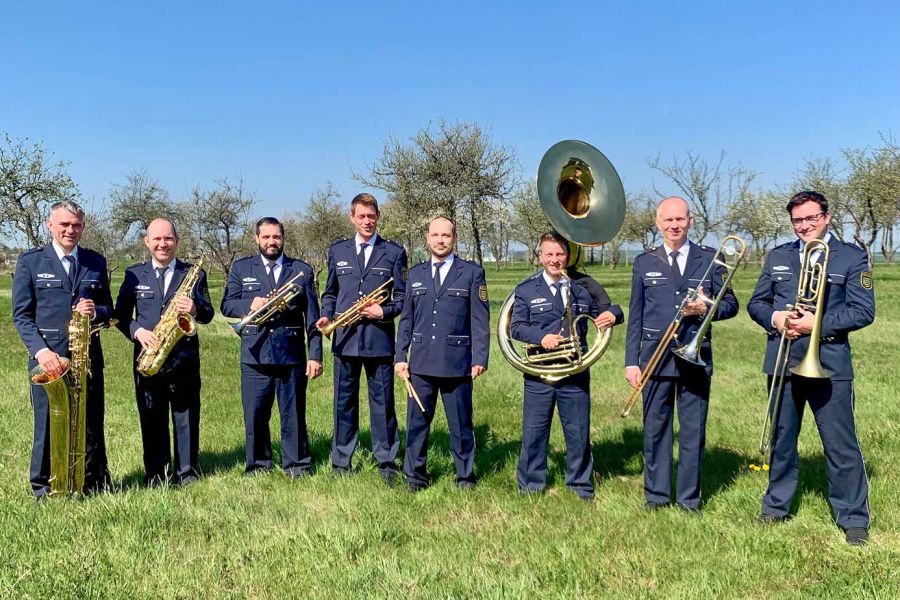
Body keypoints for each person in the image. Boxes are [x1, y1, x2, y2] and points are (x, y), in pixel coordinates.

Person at [747, 190, 874, 545]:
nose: (804, 226)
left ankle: (853, 518)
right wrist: (776, 317)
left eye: (811, 218)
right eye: (798, 221)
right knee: (782, 439)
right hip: (783, 360)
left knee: (840, 442)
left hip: (829, 362)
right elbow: (756, 304)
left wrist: (814, 323)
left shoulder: (851, 257)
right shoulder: (778, 256)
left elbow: (863, 311)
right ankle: (776, 507)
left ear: (827, 216)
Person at [624, 196, 738, 512]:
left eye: (680, 220)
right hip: (655, 358)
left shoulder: (711, 259)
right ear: (659, 224)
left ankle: (689, 500)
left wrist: (707, 307)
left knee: (692, 432)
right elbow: (636, 315)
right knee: (655, 430)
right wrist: (631, 361)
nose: (675, 225)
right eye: (668, 220)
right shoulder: (644, 262)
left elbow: (732, 305)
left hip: (695, 357)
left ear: (690, 222)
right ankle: (656, 497)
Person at [12, 200, 113, 498]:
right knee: (47, 424)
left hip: (88, 358)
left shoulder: (96, 262)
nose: (71, 230)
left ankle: (93, 483)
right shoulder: (30, 262)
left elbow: (109, 309)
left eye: (77, 225)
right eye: (65, 224)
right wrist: (42, 354)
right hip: (48, 358)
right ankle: (44, 488)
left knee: (91, 422)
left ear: (83, 226)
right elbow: (21, 316)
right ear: (50, 224)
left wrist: (95, 311)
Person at [510, 232, 617, 500]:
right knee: (534, 432)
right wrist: (540, 338)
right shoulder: (525, 289)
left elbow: (611, 310)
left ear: (566, 257)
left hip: (574, 372)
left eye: (559, 254)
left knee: (578, 431)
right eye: (549, 254)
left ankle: (580, 486)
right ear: (540, 256)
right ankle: (530, 486)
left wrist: (613, 314)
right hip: (539, 374)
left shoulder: (581, 290)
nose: (554, 259)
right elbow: (517, 327)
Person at [114, 218, 214, 486]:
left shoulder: (194, 274)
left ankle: (187, 473)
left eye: (168, 238)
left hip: (184, 358)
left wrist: (193, 308)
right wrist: (137, 331)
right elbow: (120, 316)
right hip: (149, 358)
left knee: (186, 416)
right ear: (147, 242)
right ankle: (156, 474)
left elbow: (208, 314)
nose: (163, 244)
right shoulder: (134, 274)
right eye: (156, 239)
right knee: (151, 416)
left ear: (177, 241)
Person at [316, 193, 407, 484]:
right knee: (344, 403)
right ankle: (341, 462)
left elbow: (404, 298)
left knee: (382, 404)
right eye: (362, 216)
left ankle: (386, 462)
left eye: (372, 216)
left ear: (378, 217)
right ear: (352, 217)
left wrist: (384, 310)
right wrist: (327, 316)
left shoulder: (394, 252)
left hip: (379, 339)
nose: (367, 221)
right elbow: (330, 292)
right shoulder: (338, 251)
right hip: (344, 339)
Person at [221, 217, 323, 477]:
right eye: (265, 237)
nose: (271, 242)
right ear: (256, 239)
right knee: (255, 415)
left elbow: (313, 318)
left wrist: (316, 356)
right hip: (254, 353)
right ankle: (257, 465)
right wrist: (249, 304)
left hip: (291, 354)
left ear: (283, 238)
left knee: (294, 414)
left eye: (275, 237)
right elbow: (227, 305)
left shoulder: (301, 270)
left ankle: (297, 465)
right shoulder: (242, 268)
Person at [394, 216, 490, 491]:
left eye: (445, 235)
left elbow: (480, 320)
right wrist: (401, 356)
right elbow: (407, 320)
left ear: (454, 238)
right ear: (427, 238)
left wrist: (479, 358)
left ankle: (465, 477)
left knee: (461, 425)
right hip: (421, 364)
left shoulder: (471, 273)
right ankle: (414, 476)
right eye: (435, 235)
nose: (440, 240)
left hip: (456, 363)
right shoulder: (415, 274)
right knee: (416, 425)